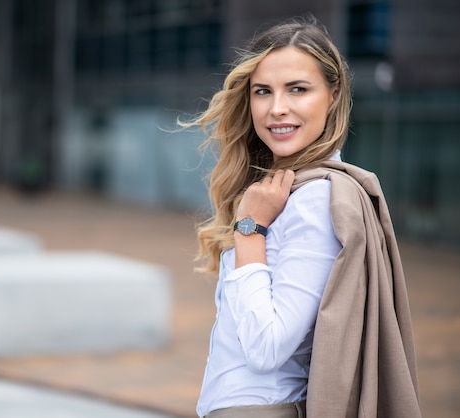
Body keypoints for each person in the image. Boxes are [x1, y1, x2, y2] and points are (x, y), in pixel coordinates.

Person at [179, 16, 421, 418]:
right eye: (263, 91)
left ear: (333, 93)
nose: (277, 108)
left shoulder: (315, 200)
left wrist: (250, 231)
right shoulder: (285, 192)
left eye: (298, 89)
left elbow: (266, 347)